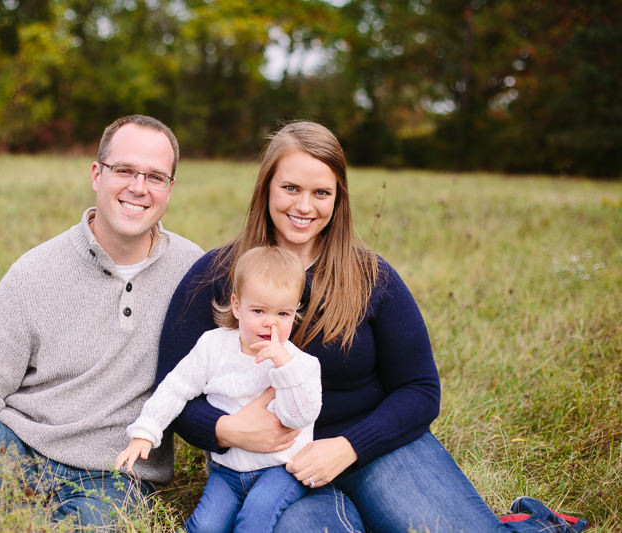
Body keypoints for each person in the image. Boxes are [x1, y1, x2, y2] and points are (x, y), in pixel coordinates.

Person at [157, 121, 589, 533]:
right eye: (290, 187)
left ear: (338, 199)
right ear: (266, 187)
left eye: (320, 192)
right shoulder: (216, 274)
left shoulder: (371, 277)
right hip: (273, 466)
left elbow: (420, 389)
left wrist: (349, 446)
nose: (303, 206)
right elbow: (172, 386)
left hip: (375, 449)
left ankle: (534, 523)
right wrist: (225, 430)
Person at [0, 114, 204, 528]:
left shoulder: (195, 272)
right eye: (124, 170)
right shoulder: (37, 271)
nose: (138, 187)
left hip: (117, 472)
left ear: (170, 189)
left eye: (155, 177)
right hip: (22, 446)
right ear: (96, 174)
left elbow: (224, 366)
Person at [116, 246, 321, 532]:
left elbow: (298, 417)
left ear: (295, 312)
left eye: (283, 313)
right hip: (228, 471)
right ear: (237, 306)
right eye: (258, 310)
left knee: (254, 519)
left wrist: (283, 366)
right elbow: (176, 387)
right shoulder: (214, 347)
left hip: (281, 471)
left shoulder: (301, 364)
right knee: (205, 526)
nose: (270, 322)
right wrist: (146, 431)